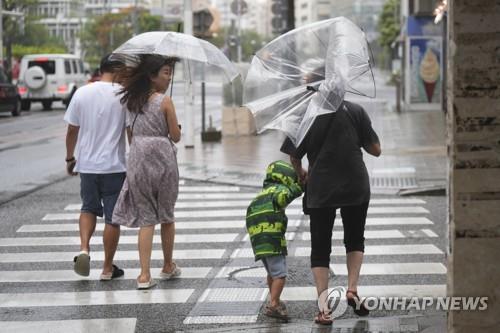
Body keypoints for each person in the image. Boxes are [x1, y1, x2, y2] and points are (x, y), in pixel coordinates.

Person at [281, 100, 381, 325]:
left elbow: (294, 156)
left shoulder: (306, 114)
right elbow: (376, 150)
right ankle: (352, 290)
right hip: (355, 184)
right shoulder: (355, 110)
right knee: (355, 239)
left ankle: (324, 308)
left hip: (322, 187)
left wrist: (301, 173)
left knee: (320, 246)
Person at [112, 54, 182, 290]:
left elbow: (130, 135)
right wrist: (175, 127)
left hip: (138, 157)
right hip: (162, 157)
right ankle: (168, 265)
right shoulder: (165, 101)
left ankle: (143, 275)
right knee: (166, 214)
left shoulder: (131, 101)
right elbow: (176, 136)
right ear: (152, 76)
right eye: (165, 73)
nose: (169, 77)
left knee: (146, 218)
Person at [64, 54, 127, 280]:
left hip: (87, 166)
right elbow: (130, 132)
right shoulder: (123, 96)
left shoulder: (82, 92)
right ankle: (108, 268)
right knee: (112, 219)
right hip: (114, 167)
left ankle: (84, 248)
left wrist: (70, 159)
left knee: (88, 208)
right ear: (118, 71)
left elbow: (72, 130)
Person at [246, 160, 303, 320]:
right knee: (280, 274)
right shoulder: (279, 190)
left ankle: (274, 298)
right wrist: (299, 187)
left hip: (258, 240)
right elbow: (283, 198)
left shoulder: (262, 193)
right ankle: (273, 304)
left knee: (272, 272)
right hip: (272, 239)